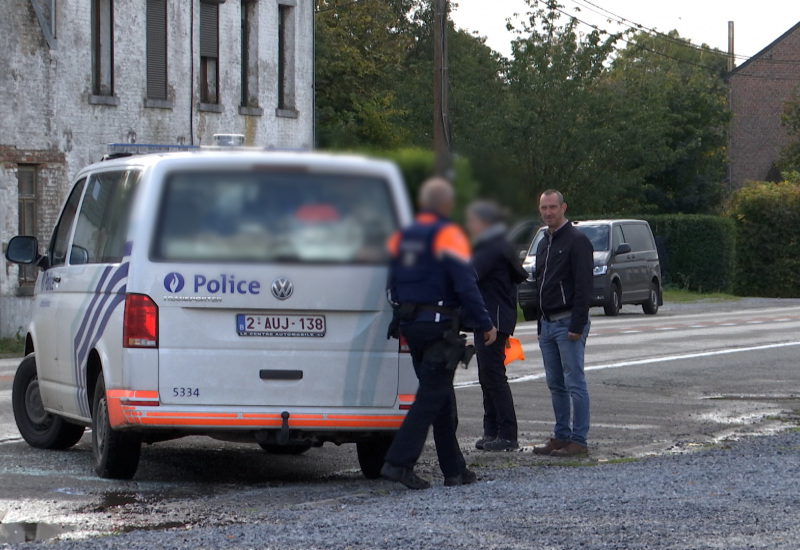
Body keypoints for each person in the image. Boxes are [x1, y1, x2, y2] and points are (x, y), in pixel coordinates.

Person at [381, 177, 498, 490]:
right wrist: (484, 322)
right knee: (431, 395)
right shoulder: (448, 234)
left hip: (409, 325)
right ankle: (398, 463)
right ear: (446, 205)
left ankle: (454, 469)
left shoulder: (402, 236)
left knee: (440, 394)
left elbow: (391, 282)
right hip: (438, 327)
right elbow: (465, 283)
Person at [532, 189, 594, 458]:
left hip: (568, 322)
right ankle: (561, 436)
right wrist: (539, 324)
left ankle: (578, 440)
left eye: (553, 207)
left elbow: (584, 287)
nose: (548, 212)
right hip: (547, 324)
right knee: (555, 383)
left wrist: (577, 326)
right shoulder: (544, 241)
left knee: (574, 383)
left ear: (563, 207)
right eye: (544, 208)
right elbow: (539, 284)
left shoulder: (577, 241)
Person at [465, 201, 529, 452]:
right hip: (494, 317)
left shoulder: (490, 248)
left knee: (493, 377)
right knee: (488, 377)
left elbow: (469, 274)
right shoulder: (495, 245)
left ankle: (507, 433)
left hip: (493, 320)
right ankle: (492, 430)